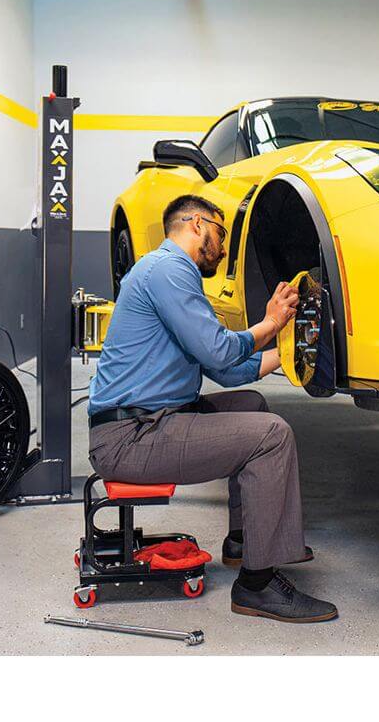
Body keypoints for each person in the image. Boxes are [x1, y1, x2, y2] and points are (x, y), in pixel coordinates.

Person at [87, 194, 337, 623]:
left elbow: (229, 372)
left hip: (153, 419)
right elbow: (220, 352)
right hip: (131, 437)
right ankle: (256, 586)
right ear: (197, 224)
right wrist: (271, 323)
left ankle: (244, 541)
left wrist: (294, 348)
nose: (223, 249)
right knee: (271, 434)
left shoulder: (167, 275)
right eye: (222, 235)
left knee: (252, 405)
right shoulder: (168, 270)